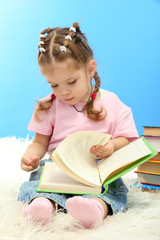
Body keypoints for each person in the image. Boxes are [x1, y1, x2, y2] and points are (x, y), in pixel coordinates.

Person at [18, 22, 138, 229]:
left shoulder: (111, 102)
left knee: (112, 189)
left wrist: (111, 147)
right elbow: (39, 142)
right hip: (60, 170)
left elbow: (127, 140)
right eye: (54, 85)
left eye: (71, 82)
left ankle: (94, 209)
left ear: (90, 69)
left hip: (96, 171)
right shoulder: (49, 106)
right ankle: (43, 205)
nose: (63, 92)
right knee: (38, 182)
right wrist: (31, 156)